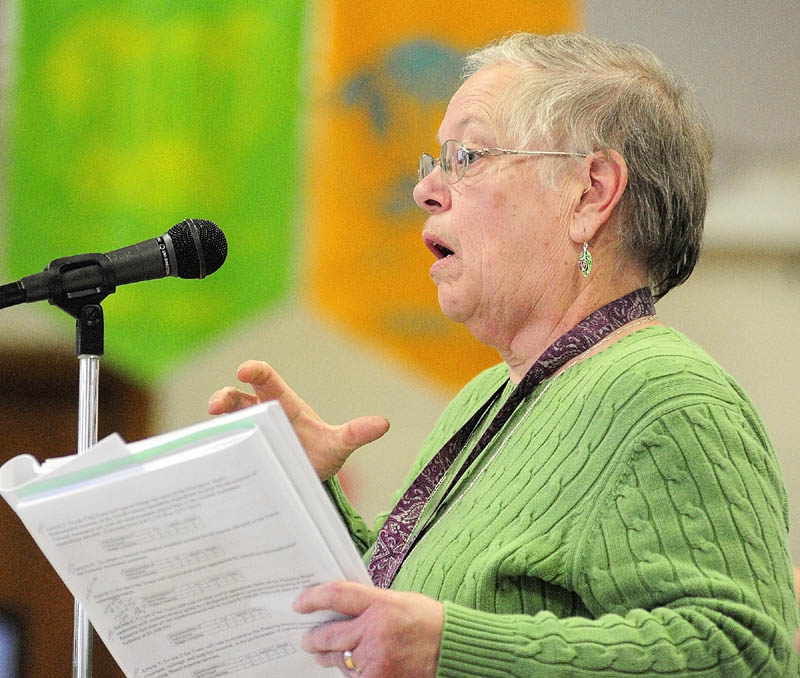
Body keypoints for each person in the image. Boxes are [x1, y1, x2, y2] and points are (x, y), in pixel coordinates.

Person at [209, 32, 799, 677]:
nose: (427, 190)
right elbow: (409, 614)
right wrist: (305, 490)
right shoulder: (487, 396)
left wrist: (451, 650)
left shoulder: (666, 396)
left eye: (467, 155)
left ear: (589, 193)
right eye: (434, 161)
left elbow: (745, 654)